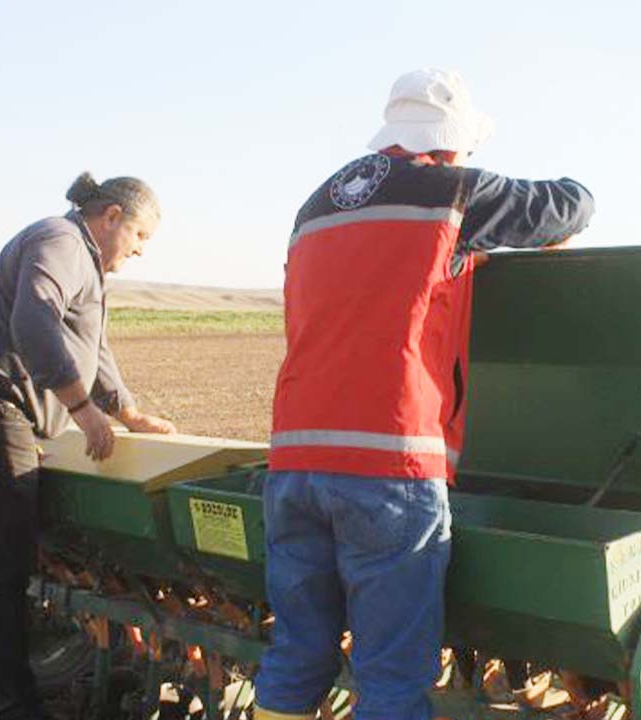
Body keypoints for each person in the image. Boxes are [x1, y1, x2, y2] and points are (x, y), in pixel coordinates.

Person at [254, 68, 596, 720]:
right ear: (451, 140)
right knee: (391, 676)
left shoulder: (315, 205)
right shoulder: (451, 193)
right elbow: (569, 204)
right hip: (389, 465)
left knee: (297, 655)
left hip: (293, 464)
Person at [0, 173, 176, 720]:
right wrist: (82, 408)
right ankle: (13, 706)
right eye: (140, 236)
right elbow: (34, 318)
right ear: (111, 216)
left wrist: (126, 411)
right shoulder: (62, 241)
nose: (140, 251)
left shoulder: (78, 257)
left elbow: (91, 348)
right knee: (0, 572)